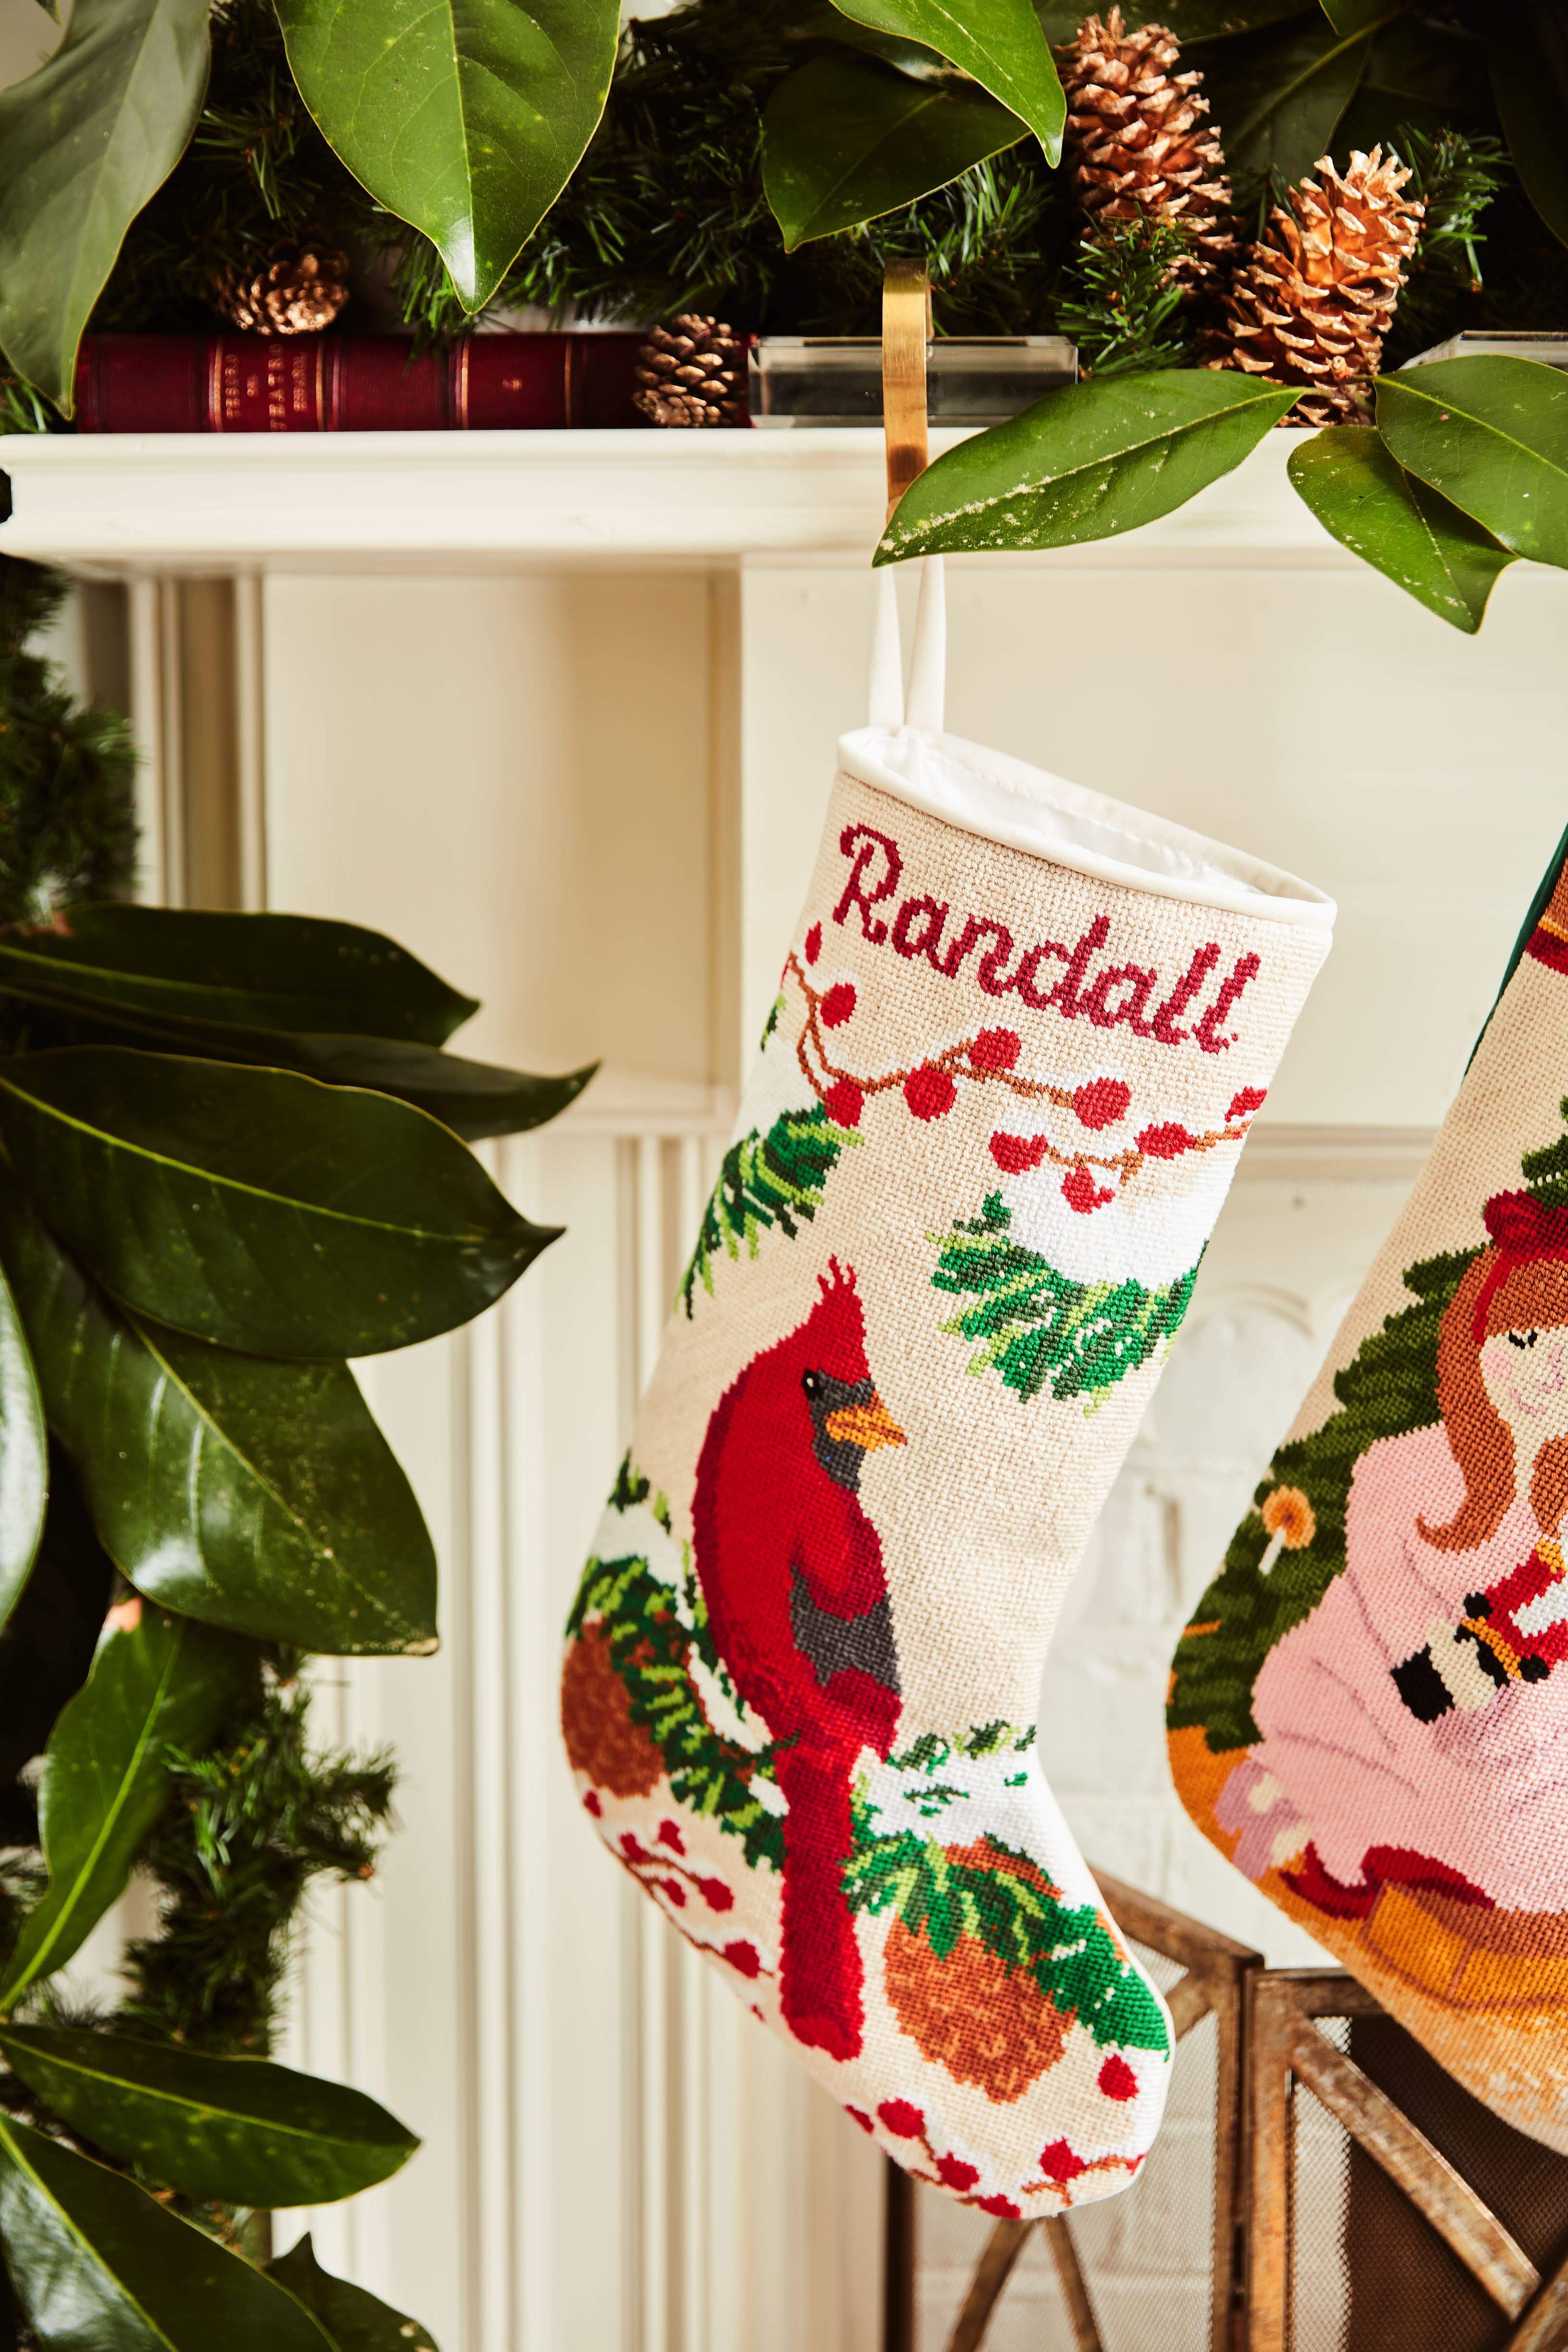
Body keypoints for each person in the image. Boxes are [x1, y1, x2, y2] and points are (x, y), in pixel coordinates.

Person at [1220, 1189, 1568, 1921]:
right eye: (1525, 1342)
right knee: (1346, 1708)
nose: (1547, 1372)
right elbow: (1380, 1614)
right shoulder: (1405, 1466)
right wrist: (1456, 1675)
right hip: (1387, 1685)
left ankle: (1429, 1850)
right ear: (1475, 1346)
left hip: (1516, 1729)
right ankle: (1379, 1839)